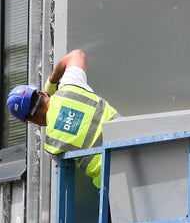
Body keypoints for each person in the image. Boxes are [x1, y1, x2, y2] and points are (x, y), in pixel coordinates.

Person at [7, 49, 121, 188]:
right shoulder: (70, 87)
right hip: (134, 147)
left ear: (32, 120)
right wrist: (52, 81)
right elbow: (77, 54)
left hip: (113, 182)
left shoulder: (51, 146)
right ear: (42, 93)